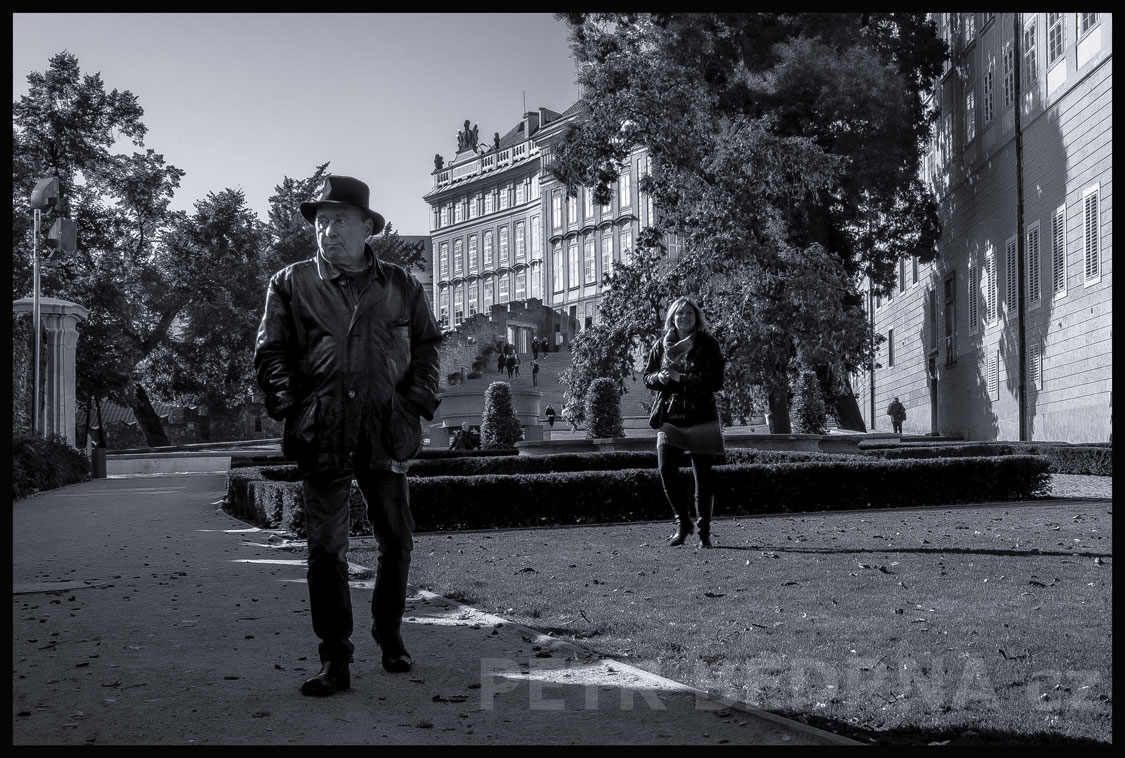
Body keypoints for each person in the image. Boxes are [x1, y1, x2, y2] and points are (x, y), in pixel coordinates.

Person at [254, 175, 442, 696]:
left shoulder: (403, 285)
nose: (327, 230)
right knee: (326, 550)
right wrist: (297, 407)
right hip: (324, 430)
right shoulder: (290, 283)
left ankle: (389, 631)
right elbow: (272, 355)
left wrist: (414, 404)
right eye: (320, 222)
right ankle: (334, 658)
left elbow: (428, 347)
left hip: (386, 428)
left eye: (338, 220)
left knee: (397, 542)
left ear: (367, 228)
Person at [642, 296, 726, 549]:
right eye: (679, 314)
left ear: (696, 317)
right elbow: (647, 377)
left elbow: (716, 381)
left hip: (702, 415)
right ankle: (683, 523)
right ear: (672, 318)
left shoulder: (708, 344)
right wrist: (660, 378)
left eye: (689, 313)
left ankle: (704, 532)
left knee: (703, 476)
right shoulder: (661, 344)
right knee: (666, 468)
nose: (684, 317)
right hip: (671, 415)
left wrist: (682, 378)